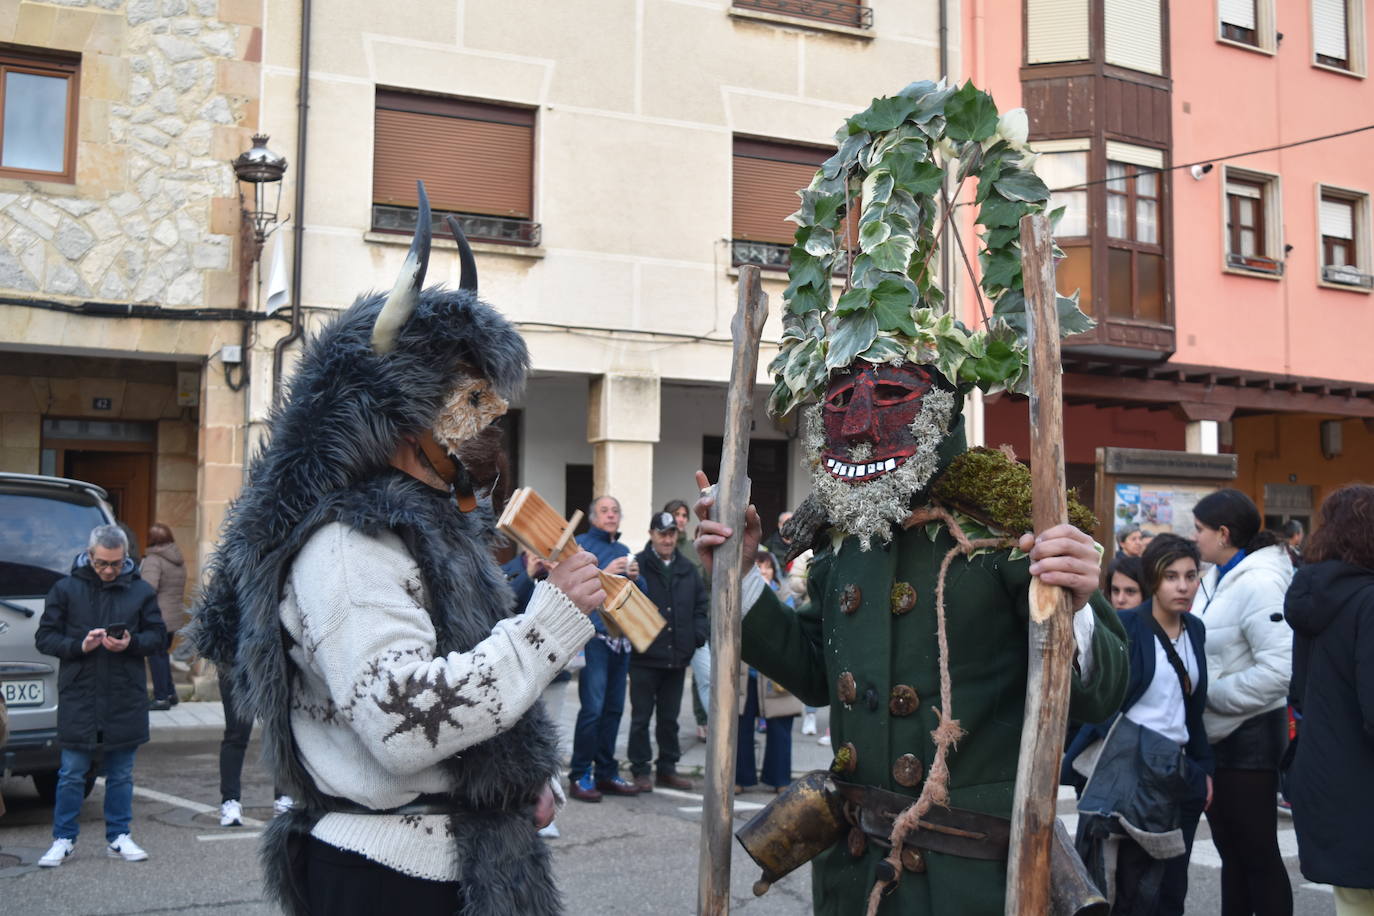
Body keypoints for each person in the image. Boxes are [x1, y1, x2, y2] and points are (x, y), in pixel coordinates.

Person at [191, 197, 605, 916]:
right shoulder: (350, 548)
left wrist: (519, 778)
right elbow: (403, 725)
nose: (481, 420)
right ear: (398, 425)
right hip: (389, 884)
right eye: (461, 400)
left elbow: (465, 700)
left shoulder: (434, 535)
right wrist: (550, 624)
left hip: (466, 864)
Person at [1065, 534, 1212, 916]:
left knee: (1171, 887)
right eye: (1171, 577)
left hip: (1178, 772)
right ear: (1153, 580)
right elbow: (1101, 699)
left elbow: (1192, 709)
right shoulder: (1127, 624)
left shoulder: (1195, 629)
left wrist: (1204, 769)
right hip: (1130, 772)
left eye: (1191, 575)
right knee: (1125, 886)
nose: (1183, 586)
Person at [34, 523, 164, 867]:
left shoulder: (141, 591)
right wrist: (79, 645)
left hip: (124, 695)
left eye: (116, 564)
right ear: (89, 556)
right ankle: (63, 839)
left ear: (126, 558)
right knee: (72, 773)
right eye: (102, 563)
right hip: (81, 694)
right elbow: (45, 638)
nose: (109, 570)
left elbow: (158, 638)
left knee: (121, 774)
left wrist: (130, 643)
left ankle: (119, 837)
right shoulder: (65, 589)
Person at [1192, 488, 1295, 916]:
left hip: (1249, 739)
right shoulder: (1215, 576)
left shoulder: (1259, 581)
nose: (1193, 537)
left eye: (1198, 529)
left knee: (1257, 855)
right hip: (1219, 738)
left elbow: (1280, 669)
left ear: (1223, 533)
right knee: (1232, 853)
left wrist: (1210, 695)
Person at [1283, 485, 1374, 916]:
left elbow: (1299, 690)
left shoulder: (1315, 598)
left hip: (1328, 778)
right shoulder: (1369, 600)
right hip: (1365, 781)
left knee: (1354, 904)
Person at [566, 494, 644, 802]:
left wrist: (637, 581)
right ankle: (580, 773)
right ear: (593, 518)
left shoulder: (624, 550)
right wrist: (607, 573)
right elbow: (575, 586)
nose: (611, 515)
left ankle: (607, 772)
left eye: (615, 510)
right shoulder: (581, 545)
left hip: (621, 641)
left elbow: (636, 600)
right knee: (593, 709)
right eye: (605, 510)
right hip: (595, 640)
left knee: (613, 710)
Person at [627, 512, 708, 792]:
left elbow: (701, 607)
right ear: (652, 534)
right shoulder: (637, 565)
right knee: (640, 719)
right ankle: (640, 769)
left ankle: (667, 769)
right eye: (662, 534)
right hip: (644, 658)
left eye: (671, 533)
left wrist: (696, 636)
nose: (667, 539)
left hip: (676, 657)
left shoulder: (687, 568)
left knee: (669, 719)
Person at [140, 523, 187, 711]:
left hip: (157, 616)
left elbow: (148, 588)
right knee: (162, 654)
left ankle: (161, 698)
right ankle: (170, 693)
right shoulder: (178, 558)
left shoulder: (154, 560)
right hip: (173, 615)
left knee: (155, 656)